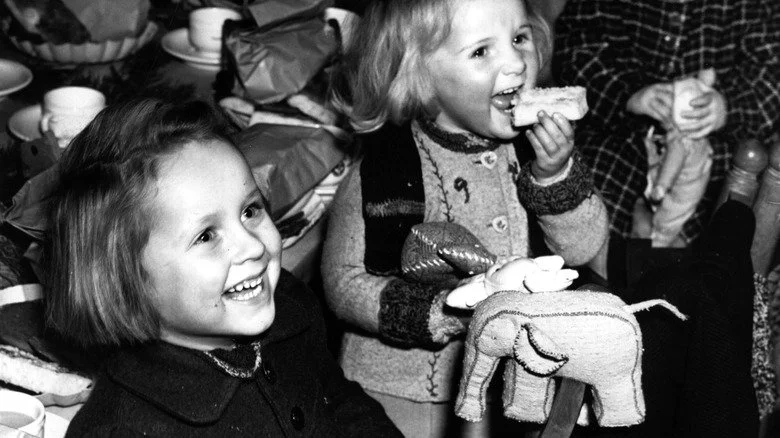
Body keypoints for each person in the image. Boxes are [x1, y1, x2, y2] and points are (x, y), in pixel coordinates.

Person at [322, 0, 609, 436]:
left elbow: (584, 248)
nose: (515, 62)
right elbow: (343, 285)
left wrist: (556, 178)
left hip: (513, 386)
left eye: (519, 38)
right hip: (404, 395)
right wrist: (447, 308)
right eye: (481, 51)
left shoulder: (534, 151)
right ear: (417, 75)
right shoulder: (384, 171)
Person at [43, 98, 402, 437]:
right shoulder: (125, 428)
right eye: (205, 236)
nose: (254, 245)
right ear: (124, 282)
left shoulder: (291, 307)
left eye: (250, 211)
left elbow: (336, 398)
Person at [552, 0, 780, 254]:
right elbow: (577, 53)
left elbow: (770, 77)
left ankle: (672, 262)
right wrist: (629, 95)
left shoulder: (756, 7)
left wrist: (727, 106)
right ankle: (615, 270)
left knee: (724, 229)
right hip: (623, 133)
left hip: (716, 152)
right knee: (589, 197)